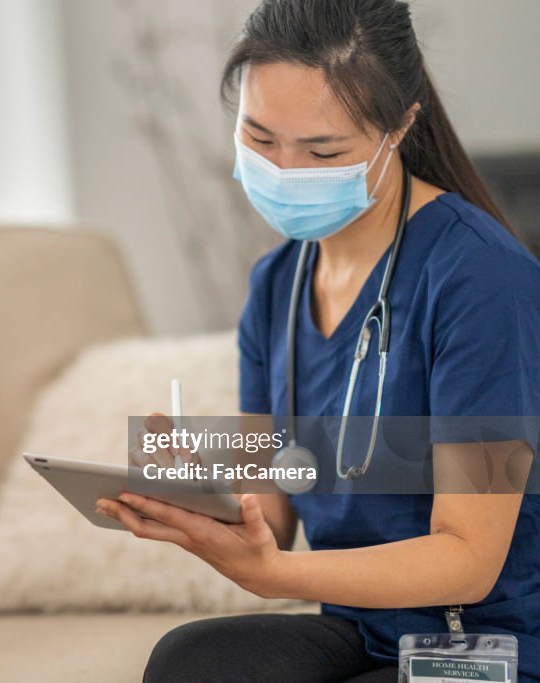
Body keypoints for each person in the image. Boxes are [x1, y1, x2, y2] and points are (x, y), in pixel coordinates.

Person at [96, 1, 540, 681]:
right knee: (190, 662)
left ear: (401, 127)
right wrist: (202, 496)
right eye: (260, 138)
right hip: (359, 629)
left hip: (482, 640)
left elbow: (470, 558)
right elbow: (270, 508)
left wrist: (276, 573)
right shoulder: (276, 283)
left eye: (322, 150)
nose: (285, 170)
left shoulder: (482, 278)